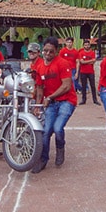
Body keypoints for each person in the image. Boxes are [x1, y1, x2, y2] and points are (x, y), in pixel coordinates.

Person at [31, 36, 78, 173]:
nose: (48, 53)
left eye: (51, 51)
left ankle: (60, 148)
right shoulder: (39, 67)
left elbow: (66, 85)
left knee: (57, 128)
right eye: (45, 50)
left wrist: (50, 97)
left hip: (67, 101)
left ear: (56, 51)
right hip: (51, 103)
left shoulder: (62, 63)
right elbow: (40, 88)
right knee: (45, 132)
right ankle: (43, 159)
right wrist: (37, 105)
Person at [77, 39, 100, 105]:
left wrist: (85, 62)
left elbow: (94, 61)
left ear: (90, 45)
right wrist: (90, 61)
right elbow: (82, 62)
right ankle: (83, 100)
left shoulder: (92, 52)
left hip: (91, 72)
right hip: (83, 72)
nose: (87, 46)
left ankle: (95, 100)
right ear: (83, 46)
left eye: (88, 45)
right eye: (85, 45)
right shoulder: (81, 53)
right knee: (83, 86)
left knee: (93, 86)